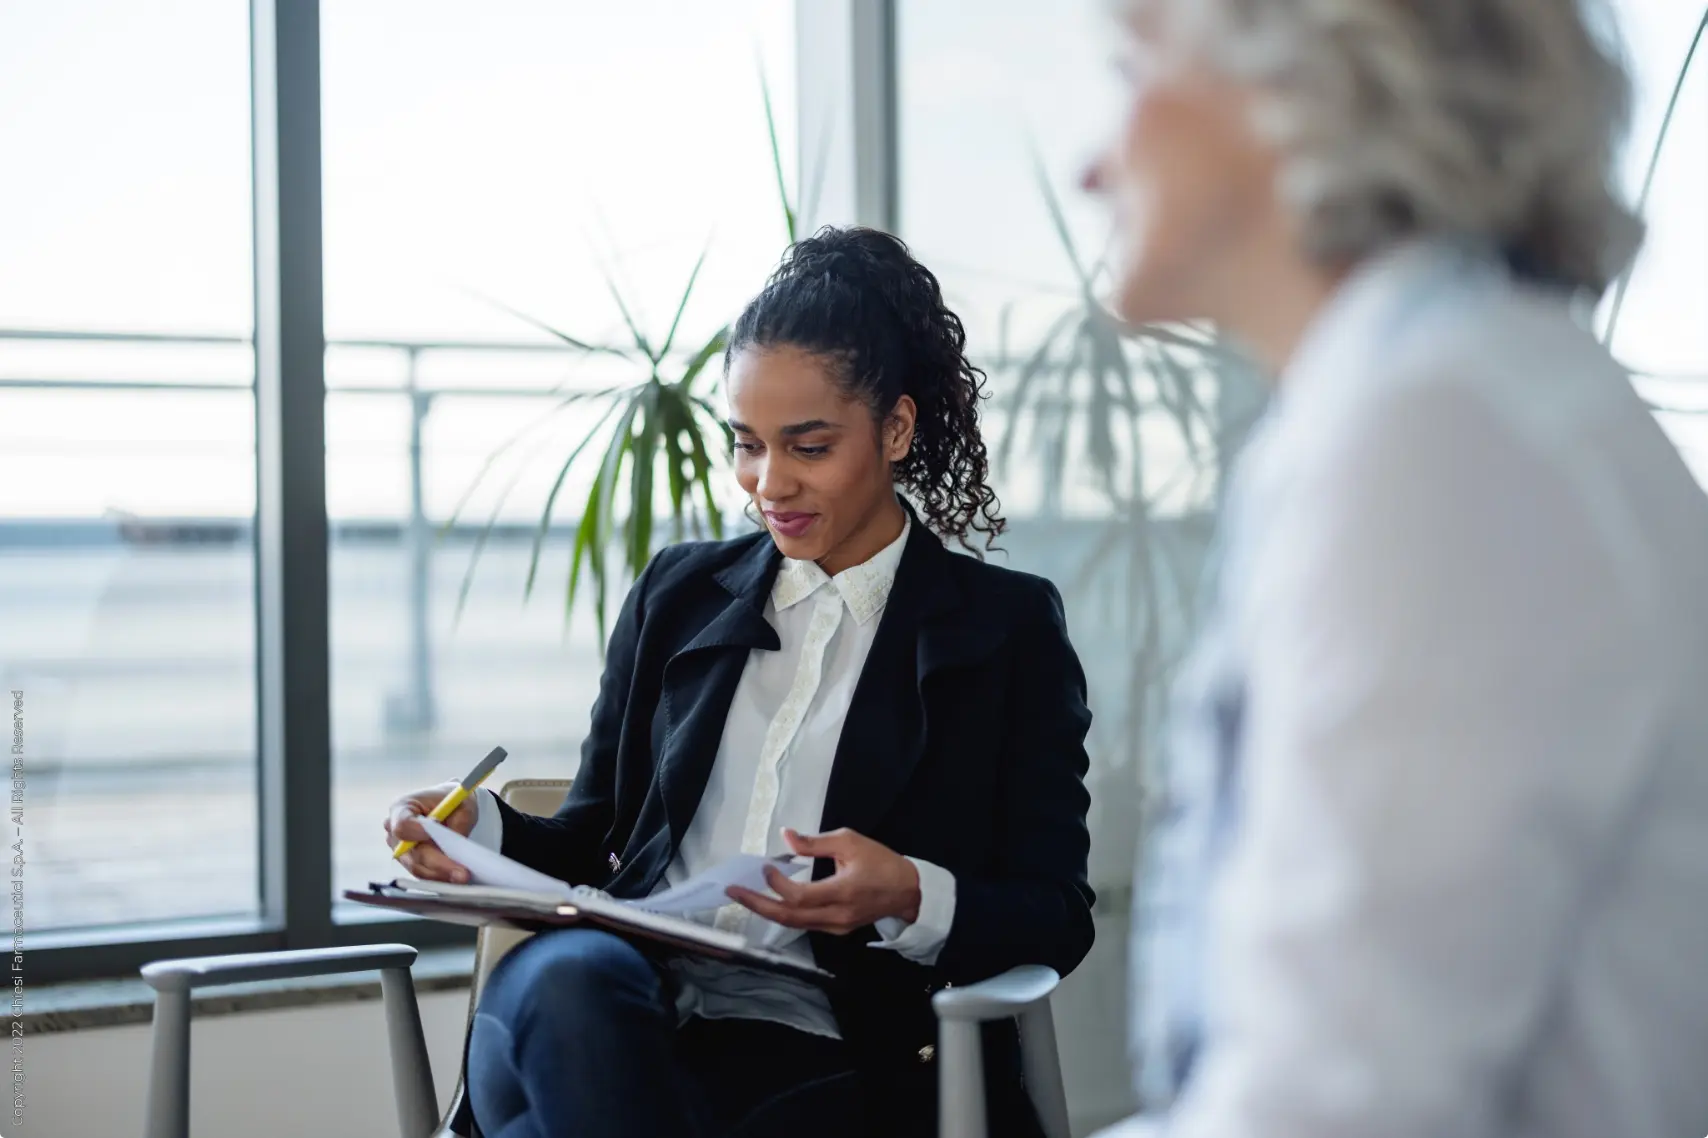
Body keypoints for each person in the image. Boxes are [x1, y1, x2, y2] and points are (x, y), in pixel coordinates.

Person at [1078, 2, 1708, 1137]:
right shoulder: (1447, 392)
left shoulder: (1442, 434)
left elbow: (1336, 1108)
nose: (1090, 163)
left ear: (1307, 75)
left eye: (1133, 67)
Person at [385, 226, 1096, 1138]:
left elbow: (1055, 913)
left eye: (808, 446)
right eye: (747, 444)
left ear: (897, 429)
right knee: (569, 985)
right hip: (620, 1001)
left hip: (836, 1046)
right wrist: (474, 827)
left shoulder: (1005, 630)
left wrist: (910, 891)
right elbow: (592, 838)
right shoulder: (678, 596)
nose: (769, 484)